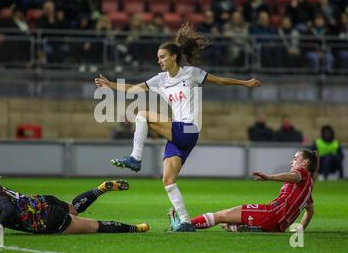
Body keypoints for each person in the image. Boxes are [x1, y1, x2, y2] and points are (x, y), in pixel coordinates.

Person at [94, 22, 261, 232]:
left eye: (162, 56)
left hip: (189, 129)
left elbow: (219, 81)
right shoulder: (160, 79)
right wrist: (109, 85)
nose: (159, 61)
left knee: (143, 114)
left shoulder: (191, 73)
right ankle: (185, 222)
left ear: (173, 56)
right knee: (168, 180)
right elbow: (133, 89)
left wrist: (244, 83)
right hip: (177, 134)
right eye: (158, 58)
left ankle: (135, 158)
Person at [0, 166, 149, 235]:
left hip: (48, 218)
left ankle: (136, 228)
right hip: (43, 202)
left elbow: (6, 209)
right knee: (75, 208)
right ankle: (100, 189)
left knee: (96, 226)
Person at [169, 150, 317, 233]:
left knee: (222, 215)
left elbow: (294, 176)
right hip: (279, 227)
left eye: (295, 158)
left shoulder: (302, 173)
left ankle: (186, 225)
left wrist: (270, 177)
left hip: (271, 214)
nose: (292, 162)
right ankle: (244, 228)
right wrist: (300, 228)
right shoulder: (308, 190)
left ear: (304, 163)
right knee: (228, 224)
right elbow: (310, 211)